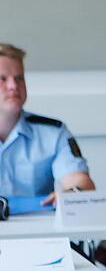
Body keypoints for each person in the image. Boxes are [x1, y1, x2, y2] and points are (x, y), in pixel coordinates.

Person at [0, 43, 94, 205]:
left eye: (19, 78)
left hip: (38, 225)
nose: (13, 86)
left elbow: (80, 182)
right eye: (2, 79)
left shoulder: (53, 132)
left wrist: (72, 194)